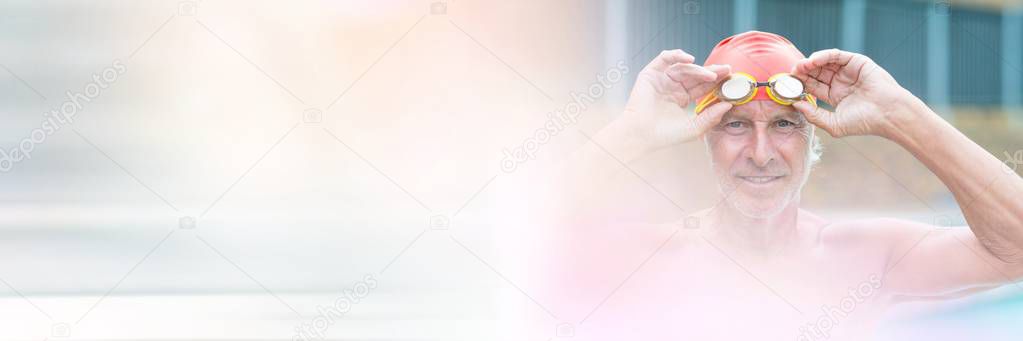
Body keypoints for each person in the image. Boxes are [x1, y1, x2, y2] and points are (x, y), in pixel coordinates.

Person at [548, 31, 1023, 340]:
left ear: (813, 137)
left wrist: (900, 114)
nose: (759, 152)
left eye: (783, 126)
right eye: (735, 126)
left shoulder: (867, 257)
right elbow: (514, 240)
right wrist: (631, 134)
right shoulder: (645, 260)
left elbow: (1016, 249)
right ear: (704, 139)